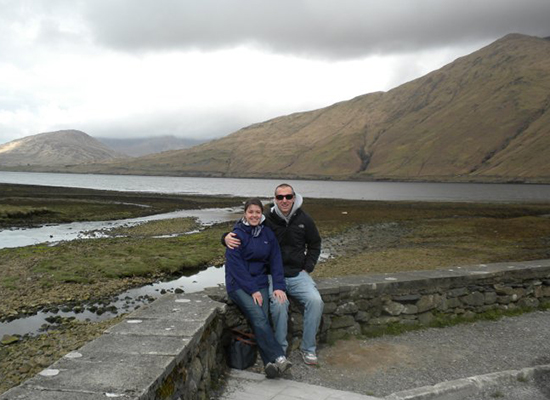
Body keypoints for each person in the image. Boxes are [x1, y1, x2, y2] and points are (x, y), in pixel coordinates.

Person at [225, 184, 323, 365]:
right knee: (278, 306)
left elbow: (315, 244)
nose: (284, 200)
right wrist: (225, 237)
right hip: (269, 276)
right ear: (275, 199)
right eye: (280, 197)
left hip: (296, 274)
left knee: (316, 301)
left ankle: (308, 349)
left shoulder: (304, 220)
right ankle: (280, 351)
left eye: (288, 196)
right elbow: (242, 230)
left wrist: (307, 266)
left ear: (294, 197)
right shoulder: (267, 220)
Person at [224, 197, 292, 378]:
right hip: (238, 285)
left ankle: (268, 364)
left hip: (261, 282)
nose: (254, 215)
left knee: (261, 318)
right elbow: (235, 267)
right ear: (245, 214)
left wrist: (278, 286)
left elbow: (276, 261)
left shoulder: (267, 234)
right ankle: (279, 357)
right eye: (250, 212)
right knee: (259, 317)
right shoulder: (236, 235)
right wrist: (252, 289)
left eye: (257, 212)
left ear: (261, 214)